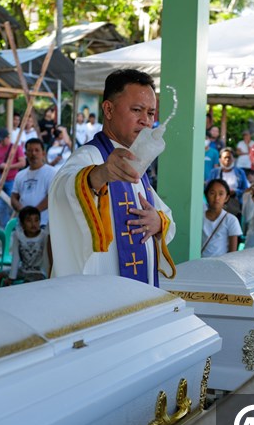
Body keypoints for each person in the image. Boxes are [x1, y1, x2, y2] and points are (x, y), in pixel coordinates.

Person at [47, 69, 175, 285]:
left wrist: (157, 222)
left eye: (151, 113)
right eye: (137, 110)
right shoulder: (90, 156)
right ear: (108, 109)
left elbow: (165, 215)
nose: (146, 121)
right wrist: (100, 174)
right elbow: (62, 191)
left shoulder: (136, 161)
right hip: (100, 293)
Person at [0, 206, 50, 287]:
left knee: (26, 285)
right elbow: (16, 258)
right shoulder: (18, 236)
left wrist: (48, 275)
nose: (34, 224)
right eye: (29, 221)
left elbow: (47, 259)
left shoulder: (44, 236)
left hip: (38, 273)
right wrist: (11, 277)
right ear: (22, 224)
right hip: (23, 270)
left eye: (36, 220)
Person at [12, 138, 58, 226]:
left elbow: (52, 196)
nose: (33, 153)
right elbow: (14, 197)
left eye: (37, 150)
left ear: (43, 153)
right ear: (25, 154)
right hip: (23, 226)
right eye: (30, 150)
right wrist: (21, 210)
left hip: (44, 224)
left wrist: (32, 213)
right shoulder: (20, 175)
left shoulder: (52, 173)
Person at [0, 128, 26, 228]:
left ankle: (18, 225)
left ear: (7, 138)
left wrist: (8, 166)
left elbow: (23, 163)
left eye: (2, 139)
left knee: (15, 203)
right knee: (0, 205)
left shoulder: (16, 148)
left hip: (12, 180)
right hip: (0, 179)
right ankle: (6, 227)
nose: (1, 141)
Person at [202, 179, 242, 258]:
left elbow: (232, 253)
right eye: (212, 193)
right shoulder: (199, 218)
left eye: (221, 194)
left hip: (219, 265)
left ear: (226, 198)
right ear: (206, 195)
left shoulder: (231, 220)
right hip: (198, 263)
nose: (216, 198)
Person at [208, 147, 249, 217]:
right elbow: (208, 188)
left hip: (235, 207)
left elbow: (246, 190)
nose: (227, 160)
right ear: (220, 159)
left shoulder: (240, 172)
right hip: (217, 206)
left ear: (233, 159)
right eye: (225, 157)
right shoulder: (214, 172)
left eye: (229, 157)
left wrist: (235, 192)